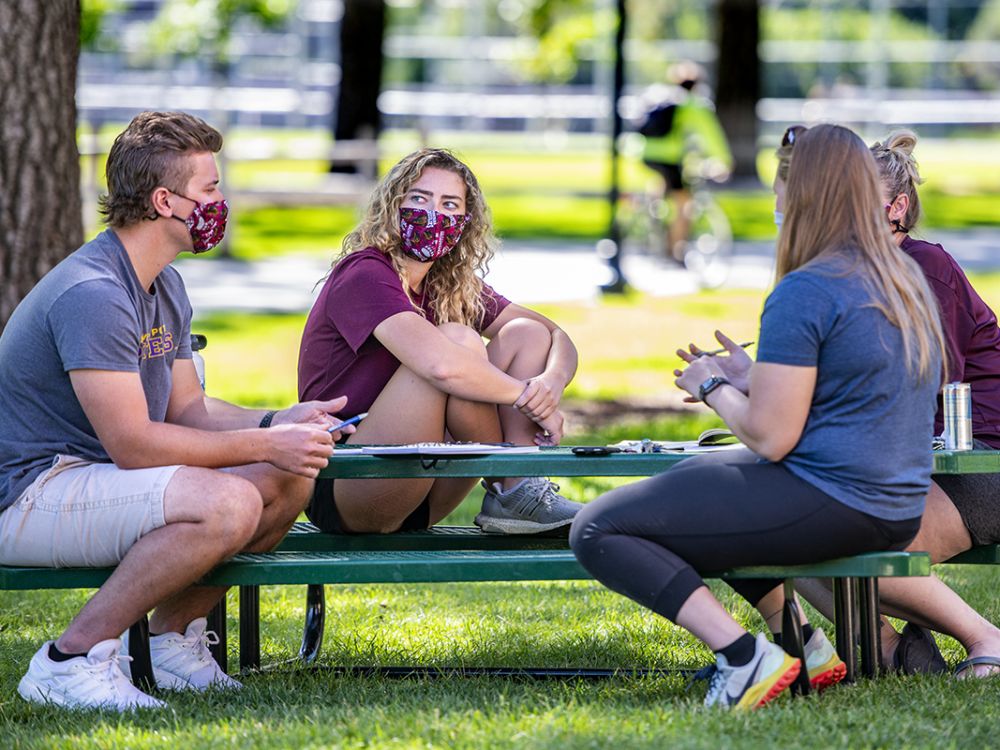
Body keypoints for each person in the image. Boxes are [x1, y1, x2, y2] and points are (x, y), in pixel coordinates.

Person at [570, 124, 945, 710]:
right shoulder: (903, 278)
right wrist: (760, 377)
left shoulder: (807, 289)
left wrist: (713, 384)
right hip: (894, 502)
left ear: (804, 198)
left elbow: (771, 436)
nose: (774, 203)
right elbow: (855, 386)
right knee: (686, 491)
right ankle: (804, 646)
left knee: (598, 527)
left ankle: (744, 659)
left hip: (839, 499)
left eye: (781, 190)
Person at [0, 112, 352, 711]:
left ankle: (169, 642)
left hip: (91, 477)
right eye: (210, 189)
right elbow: (134, 445)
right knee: (229, 501)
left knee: (289, 477)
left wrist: (279, 422)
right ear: (165, 201)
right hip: (29, 491)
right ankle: (69, 659)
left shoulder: (164, 285)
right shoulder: (95, 293)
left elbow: (188, 409)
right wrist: (265, 445)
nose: (222, 201)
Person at [757, 128, 1000, 678]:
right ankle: (890, 654)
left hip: (979, 459)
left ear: (897, 207)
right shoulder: (848, 276)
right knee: (793, 526)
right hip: (915, 458)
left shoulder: (924, 266)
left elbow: (925, 376)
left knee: (841, 537)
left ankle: (987, 640)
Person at [298, 148, 582, 536]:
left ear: (464, 223)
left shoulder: (451, 285)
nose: (433, 213)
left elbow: (554, 335)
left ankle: (518, 490)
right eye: (419, 198)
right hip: (350, 483)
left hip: (424, 494)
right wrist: (524, 396)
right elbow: (441, 366)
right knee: (457, 342)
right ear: (393, 206)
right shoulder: (364, 272)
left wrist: (550, 384)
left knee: (525, 334)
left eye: (449, 204)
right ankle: (513, 481)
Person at [638, 61, 733, 262]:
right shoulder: (692, 104)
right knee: (684, 203)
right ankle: (675, 250)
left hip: (646, 153)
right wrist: (723, 161)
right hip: (669, 158)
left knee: (663, 183)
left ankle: (652, 214)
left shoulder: (661, 98)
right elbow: (711, 136)